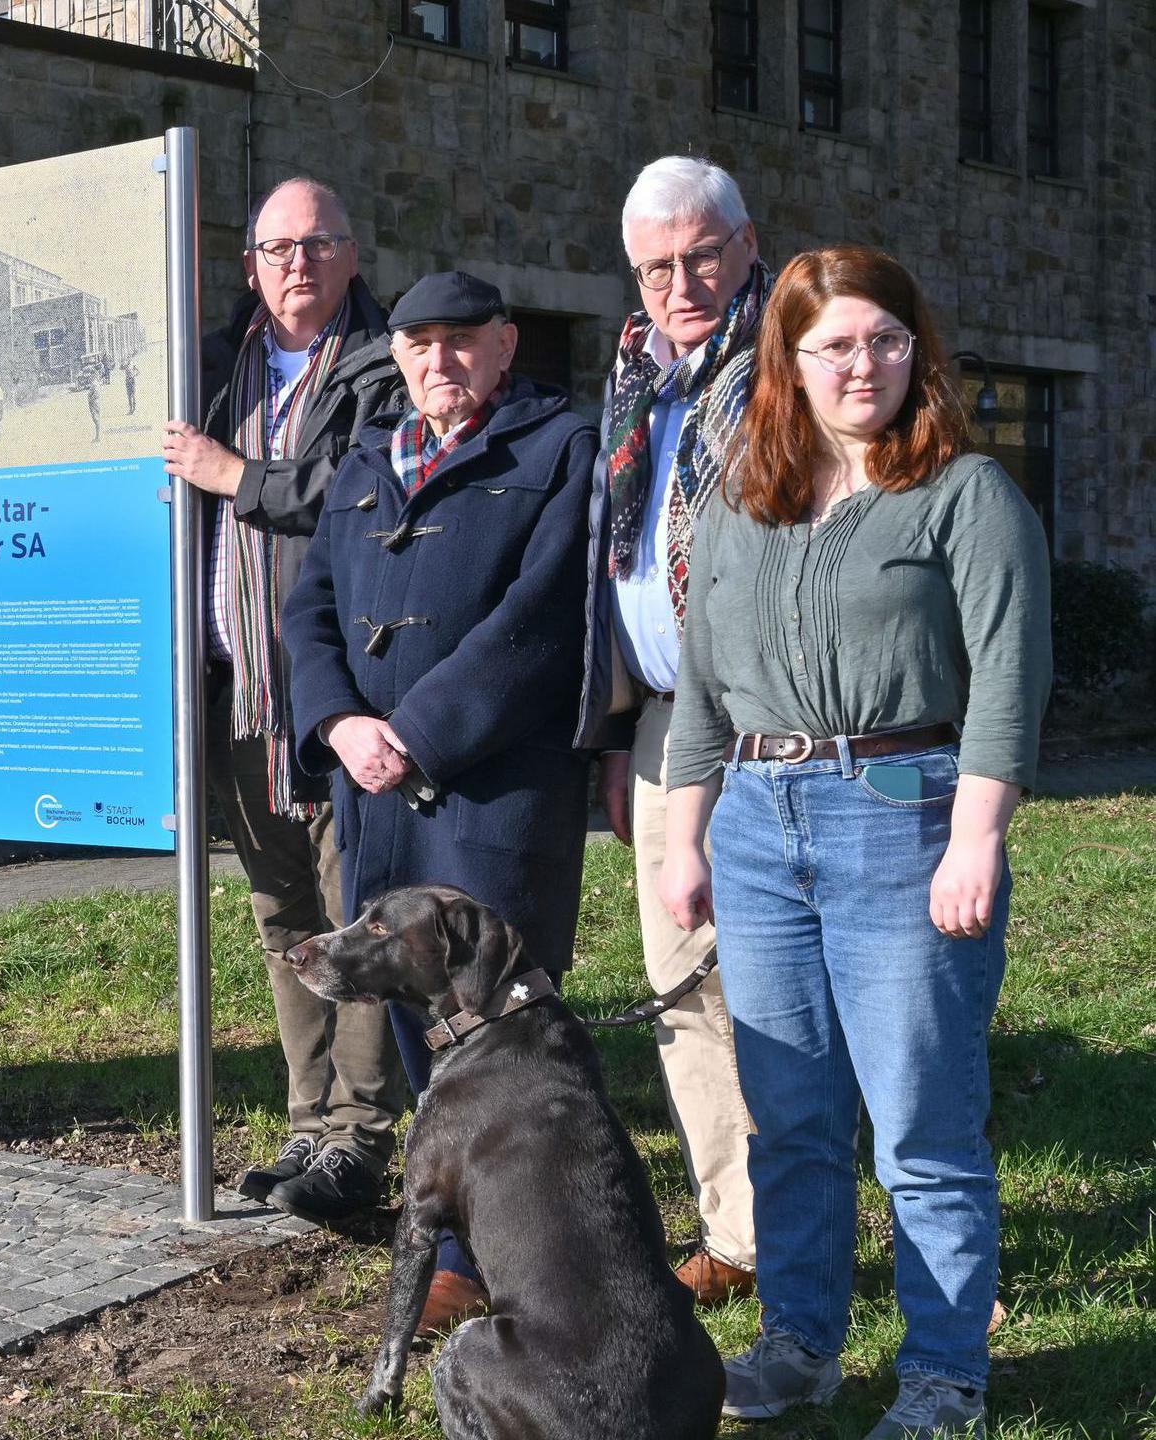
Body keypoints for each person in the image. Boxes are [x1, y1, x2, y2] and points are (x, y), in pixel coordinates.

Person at [657, 247, 1048, 1440]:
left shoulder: (964, 495)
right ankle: (802, 1344)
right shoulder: (741, 498)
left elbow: (1007, 683)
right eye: (832, 345)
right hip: (759, 829)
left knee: (922, 1123)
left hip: (904, 813)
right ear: (788, 361)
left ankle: (943, 1376)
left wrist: (974, 836)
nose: (861, 364)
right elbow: (701, 693)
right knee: (791, 1116)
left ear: (915, 347)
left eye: (883, 338)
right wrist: (687, 842)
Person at [281, 271, 601, 1333]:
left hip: (491, 794)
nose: (438, 362)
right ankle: (455, 1241)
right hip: (375, 793)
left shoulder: (559, 449)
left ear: (506, 344)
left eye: (462, 341)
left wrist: (415, 732)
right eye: (417, 344)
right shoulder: (370, 454)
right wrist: (337, 724)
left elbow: (544, 618)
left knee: (503, 1033)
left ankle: (520, 1243)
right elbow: (309, 608)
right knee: (423, 1028)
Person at [162, 177, 406, 1220]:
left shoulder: (386, 367)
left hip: (334, 695)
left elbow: (352, 489)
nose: (297, 264)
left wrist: (231, 473)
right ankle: (308, 1125)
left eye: (318, 243)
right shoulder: (219, 363)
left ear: (351, 255)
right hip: (234, 695)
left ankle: (360, 1134)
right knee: (281, 915)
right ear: (249, 263)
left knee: (353, 914)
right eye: (276, 248)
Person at [582, 155, 770, 1309]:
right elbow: (623, 565)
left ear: (746, 244)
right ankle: (740, 1232)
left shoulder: (792, 364)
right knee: (683, 986)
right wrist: (615, 736)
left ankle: (892, 1227)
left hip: (774, 725)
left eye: (701, 254)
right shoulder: (636, 378)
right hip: (660, 725)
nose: (680, 282)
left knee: (796, 987)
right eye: (656, 266)